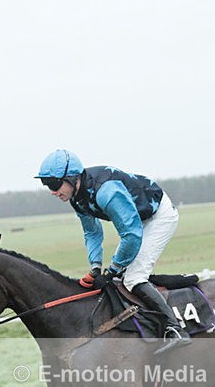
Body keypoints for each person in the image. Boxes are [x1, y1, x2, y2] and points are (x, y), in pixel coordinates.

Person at [35, 149, 191, 353]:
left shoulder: (106, 192)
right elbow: (92, 233)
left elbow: (132, 235)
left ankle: (175, 329)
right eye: (47, 185)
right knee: (125, 276)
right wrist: (96, 267)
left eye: (55, 185)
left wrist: (112, 271)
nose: (52, 192)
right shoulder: (77, 198)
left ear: (72, 178)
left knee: (133, 277)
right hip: (136, 220)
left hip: (158, 216)